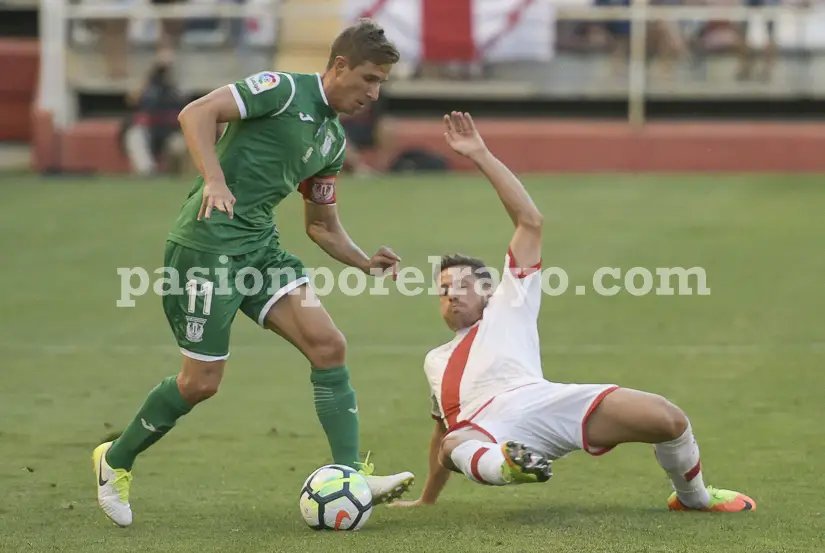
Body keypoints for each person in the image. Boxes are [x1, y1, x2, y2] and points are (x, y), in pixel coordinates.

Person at [93, 18, 415, 527]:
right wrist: (214, 181)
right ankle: (115, 459)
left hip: (258, 249)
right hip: (205, 247)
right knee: (200, 383)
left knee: (328, 345)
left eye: (381, 84)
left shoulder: (331, 141)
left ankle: (351, 474)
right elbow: (196, 112)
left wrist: (364, 260)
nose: (374, 94)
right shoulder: (282, 89)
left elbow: (322, 227)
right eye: (369, 79)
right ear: (339, 66)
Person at [389, 112, 755, 513]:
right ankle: (510, 464)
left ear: (489, 291)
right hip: (488, 431)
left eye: (462, 285)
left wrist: (480, 155)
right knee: (454, 442)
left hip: (542, 403)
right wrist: (427, 498)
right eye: (443, 290)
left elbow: (530, 222)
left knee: (667, 418)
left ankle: (694, 499)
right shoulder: (435, 361)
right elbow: (441, 430)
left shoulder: (509, 306)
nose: (452, 295)